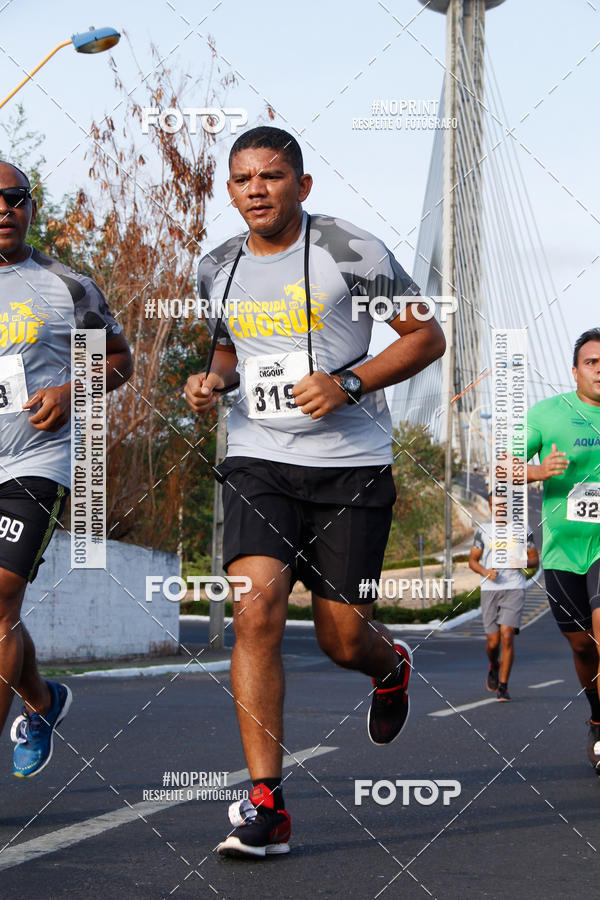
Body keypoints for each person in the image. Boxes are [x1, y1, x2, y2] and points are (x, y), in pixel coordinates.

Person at [185, 126, 446, 857]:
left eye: (272, 176)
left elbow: (425, 337)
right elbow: (227, 348)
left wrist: (348, 382)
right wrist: (212, 382)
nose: (257, 190)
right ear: (230, 190)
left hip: (352, 466)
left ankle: (389, 665)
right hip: (258, 459)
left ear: (302, 185)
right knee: (256, 610)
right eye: (243, 179)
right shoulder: (216, 266)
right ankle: (266, 803)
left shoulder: (348, 249)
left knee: (342, 638)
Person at [0, 161, 132, 777]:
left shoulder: (66, 286)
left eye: (15, 197)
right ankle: (43, 700)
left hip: (35, 459)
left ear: (31, 207)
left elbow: (119, 360)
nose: (3, 209)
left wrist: (71, 388)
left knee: (0, 600)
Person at [525, 327, 600, 772]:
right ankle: (597, 716)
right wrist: (537, 472)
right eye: (592, 362)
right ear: (575, 371)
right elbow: (502, 464)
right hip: (562, 552)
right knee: (583, 647)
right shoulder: (547, 414)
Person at [469, 492, 539, 700]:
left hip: (514, 587)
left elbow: (534, 559)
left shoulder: (522, 529)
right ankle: (494, 665)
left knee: (507, 635)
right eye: (493, 505)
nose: (497, 509)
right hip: (490, 589)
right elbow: (472, 561)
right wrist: (485, 572)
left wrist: (522, 563)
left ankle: (503, 686)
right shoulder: (483, 530)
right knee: (493, 643)